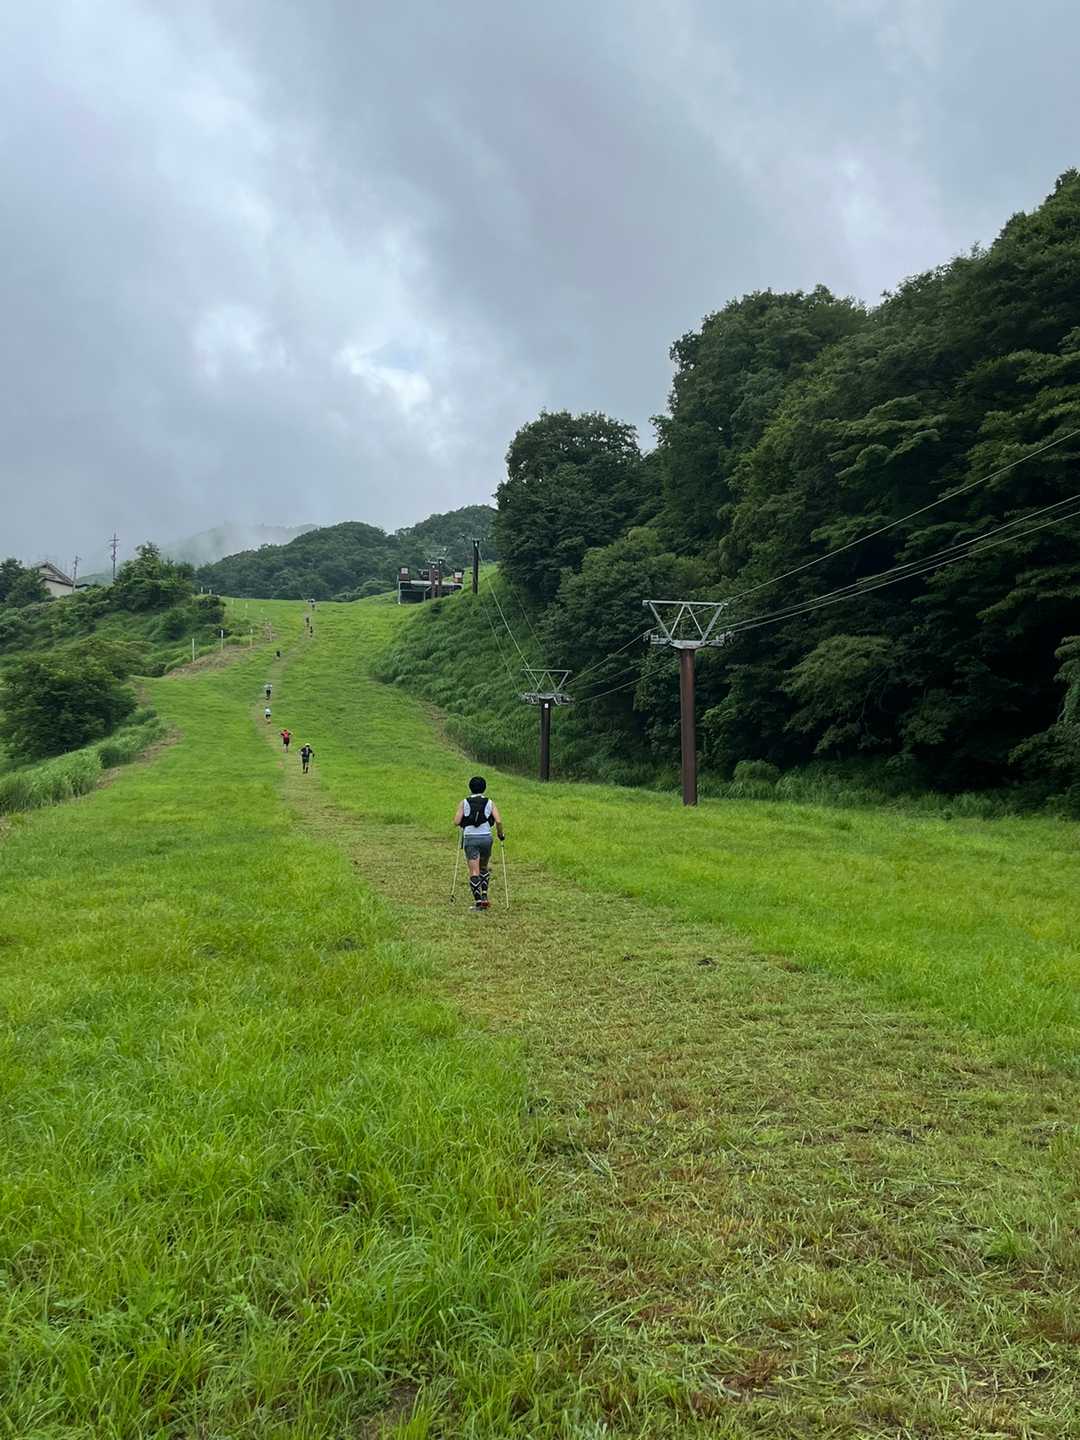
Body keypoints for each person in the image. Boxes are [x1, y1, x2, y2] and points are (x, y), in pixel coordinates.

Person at [454, 775, 504, 911]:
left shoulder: (464, 802)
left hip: (471, 838)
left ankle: (478, 902)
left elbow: (456, 822)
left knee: (474, 871)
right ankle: (485, 896)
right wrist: (500, 834)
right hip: (486, 838)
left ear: (470, 788)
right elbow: (498, 821)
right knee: (483, 867)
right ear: (484, 788)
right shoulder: (490, 802)